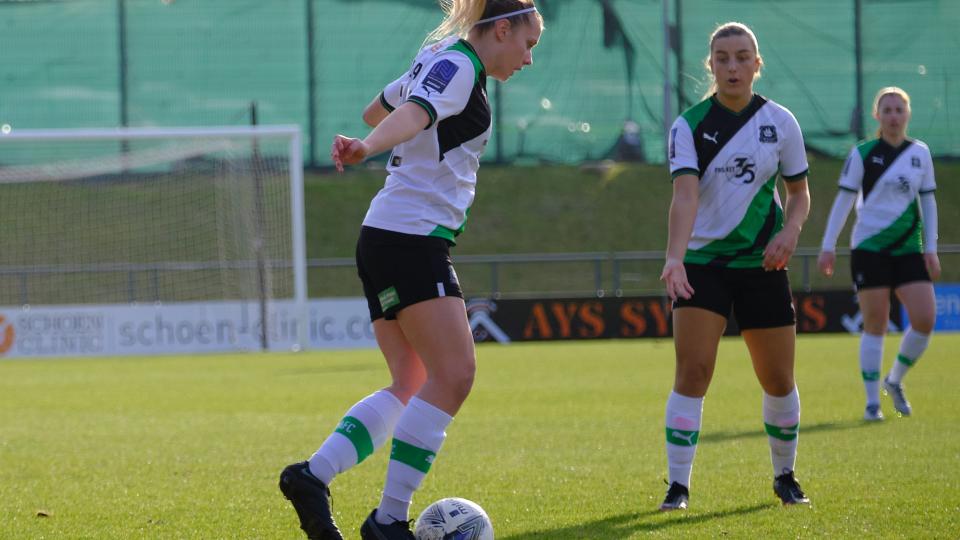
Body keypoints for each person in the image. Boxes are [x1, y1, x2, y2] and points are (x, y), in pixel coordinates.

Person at [278, 2, 542, 539]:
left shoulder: (440, 58)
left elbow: (379, 107)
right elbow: (406, 115)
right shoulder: (461, 65)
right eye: (528, 43)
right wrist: (369, 148)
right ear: (503, 28)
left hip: (386, 235)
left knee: (412, 380)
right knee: (455, 375)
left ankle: (312, 477)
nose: (528, 58)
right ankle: (389, 521)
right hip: (412, 238)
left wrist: (384, 127)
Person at [658, 21, 812, 511]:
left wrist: (789, 232)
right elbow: (683, 197)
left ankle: (785, 476)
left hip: (761, 266)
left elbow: (799, 193)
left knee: (777, 378)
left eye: (742, 57)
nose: (732, 66)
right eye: (722, 58)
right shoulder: (689, 125)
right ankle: (677, 486)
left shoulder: (781, 122)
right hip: (702, 264)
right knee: (694, 371)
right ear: (711, 65)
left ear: (757, 63)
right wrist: (674, 259)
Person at [818, 87, 939, 422]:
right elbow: (843, 201)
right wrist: (829, 245)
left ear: (908, 114)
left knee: (925, 319)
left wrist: (931, 248)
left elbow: (927, 201)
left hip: (908, 248)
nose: (893, 116)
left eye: (899, 109)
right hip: (869, 248)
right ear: (877, 116)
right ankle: (872, 403)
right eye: (887, 110)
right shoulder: (863, 153)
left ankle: (894, 380)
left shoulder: (921, 153)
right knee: (875, 323)